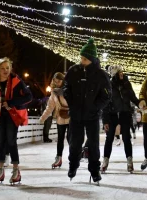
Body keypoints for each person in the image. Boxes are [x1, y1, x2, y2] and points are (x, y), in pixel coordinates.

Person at [63, 38, 111, 183]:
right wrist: (71, 103)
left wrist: (95, 107)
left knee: (93, 144)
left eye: (84, 58)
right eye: (81, 58)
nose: (81, 60)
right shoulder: (74, 71)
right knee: (75, 143)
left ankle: (94, 170)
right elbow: (66, 88)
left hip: (92, 116)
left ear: (91, 59)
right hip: (76, 114)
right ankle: (73, 165)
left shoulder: (101, 75)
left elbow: (107, 95)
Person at [0, 57, 32, 184]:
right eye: (2, 68)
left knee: (11, 142)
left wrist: (12, 102)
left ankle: (16, 171)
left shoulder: (16, 80)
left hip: (12, 115)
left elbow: (29, 96)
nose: (5, 70)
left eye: (7, 68)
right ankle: (0, 171)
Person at [101, 66, 139, 173]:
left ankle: (129, 161)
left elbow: (133, 97)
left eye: (122, 72)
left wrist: (140, 104)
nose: (121, 74)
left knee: (126, 138)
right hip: (112, 115)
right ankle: (105, 161)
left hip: (125, 114)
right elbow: (106, 104)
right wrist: (105, 120)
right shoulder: (108, 85)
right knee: (109, 139)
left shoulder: (127, 84)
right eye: (119, 73)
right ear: (114, 75)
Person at [39, 72, 70, 169]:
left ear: (63, 80)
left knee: (70, 139)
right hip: (60, 117)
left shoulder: (69, 89)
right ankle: (59, 158)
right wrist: (43, 117)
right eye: (55, 81)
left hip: (71, 117)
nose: (57, 83)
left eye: (59, 81)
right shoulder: (53, 92)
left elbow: (73, 102)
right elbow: (50, 106)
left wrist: (63, 94)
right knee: (60, 139)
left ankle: (74, 157)